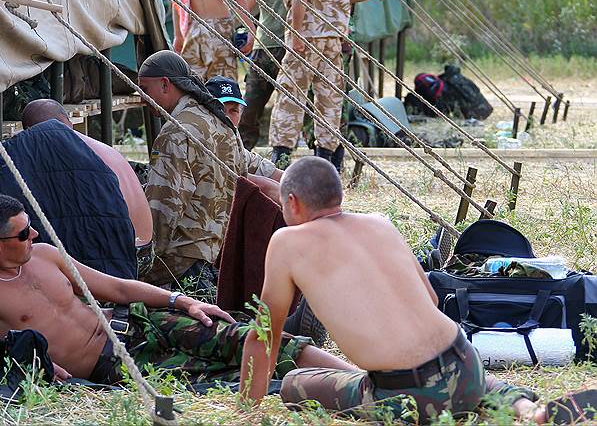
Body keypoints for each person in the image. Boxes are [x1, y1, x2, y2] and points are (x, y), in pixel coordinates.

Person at [239, 157, 597, 424]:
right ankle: (528, 410)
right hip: (464, 362)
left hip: (405, 395)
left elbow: (264, 336)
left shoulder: (287, 241)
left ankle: (444, 402)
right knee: (465, 378)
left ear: (293, 202)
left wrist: (245, 410)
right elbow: (432, 299)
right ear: (339, 194)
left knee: (294, 383)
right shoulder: (380, 223)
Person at [0, 192, 353, 386]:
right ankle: (349, 393)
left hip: (137, 324)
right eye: (23, 232)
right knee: (220, 379)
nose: (34, 233)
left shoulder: (46, 254)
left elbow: (118, 288)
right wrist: (29, 365)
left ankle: (368, 380)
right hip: (114, 365)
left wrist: (182, 300)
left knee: (245, 338)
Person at [268, 0, 379, 168]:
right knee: (329, 100)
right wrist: (343, 1)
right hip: (333, 42)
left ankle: (281, 160)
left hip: (305, 40)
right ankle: (327, 162)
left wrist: (295, 34)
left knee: (290, 98)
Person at [137, 50, 247, 287]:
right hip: (215, 256)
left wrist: (139, 266)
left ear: (165, 84)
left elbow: (163, 209)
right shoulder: (220, 121)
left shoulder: (176, 131)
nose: (142, 99)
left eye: (145, 90)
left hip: (179, 266)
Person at [21, 99, 152, 247]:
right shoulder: (104, 149)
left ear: (29, 131)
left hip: (126, 250)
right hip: (145, 244)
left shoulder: (68, 157)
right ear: (69, 123)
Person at [238, 0, 293, 150]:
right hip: (262, 49)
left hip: (286, 47)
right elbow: (246, 8)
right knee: (249, 109)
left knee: (288, 109)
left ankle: (284, 156)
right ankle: (241, 157)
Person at [205, 75, 284, 182]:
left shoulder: (233, 145)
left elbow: (270, 172)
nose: (226, 117)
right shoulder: (198, 141)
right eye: (220, 109)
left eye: (233, 110)